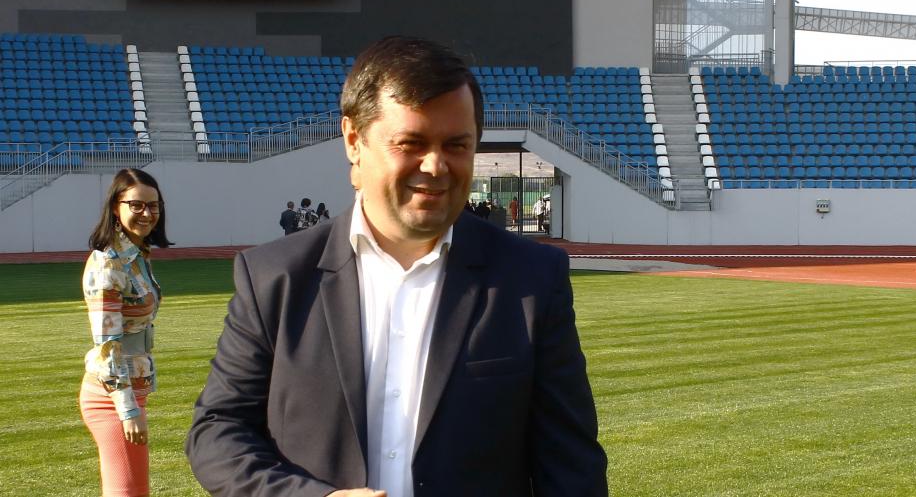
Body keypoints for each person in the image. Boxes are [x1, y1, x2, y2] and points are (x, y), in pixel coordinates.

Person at [186, 36, 607, 497]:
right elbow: (218, 429)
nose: (436, 165)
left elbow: (571, 466)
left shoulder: (531, 278)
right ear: (354, 140)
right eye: (411, 143)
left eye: (457, 145)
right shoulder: (274, 276)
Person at [80, 168, 172, 497]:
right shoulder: (108, 264)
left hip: (133, 389)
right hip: (111, 398)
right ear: (115, 208)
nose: (147, 213)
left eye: (153, 205)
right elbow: (108, 346)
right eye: (136, 205)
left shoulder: (137, 255)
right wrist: (128, 410)